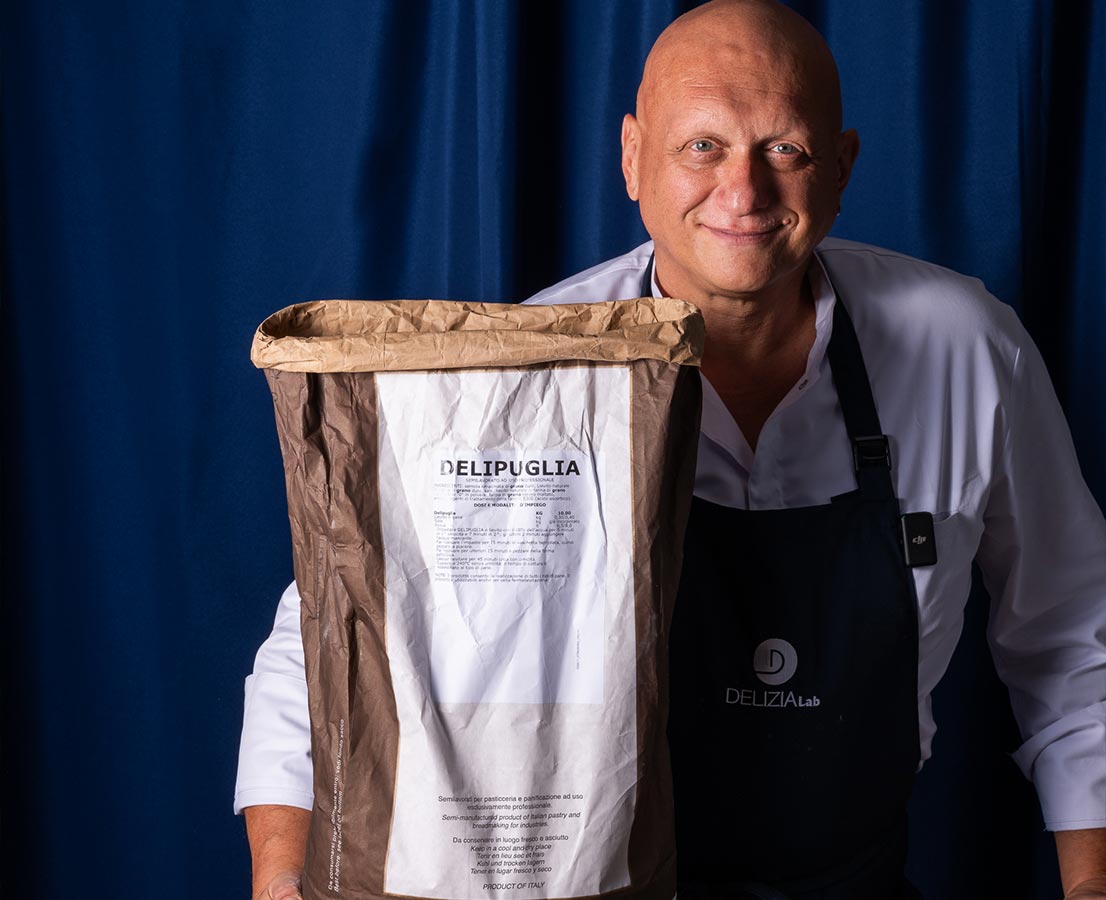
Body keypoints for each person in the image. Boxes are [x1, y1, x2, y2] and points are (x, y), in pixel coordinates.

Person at [236, 2, 1106, 898]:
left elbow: (1077, 640)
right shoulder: (528, 372)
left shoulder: (968, 349)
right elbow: (328, 645)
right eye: (702, 147)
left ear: (840, 168)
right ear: (631, 158)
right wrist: (279, 879)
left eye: (785, 149)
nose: (743, 193)